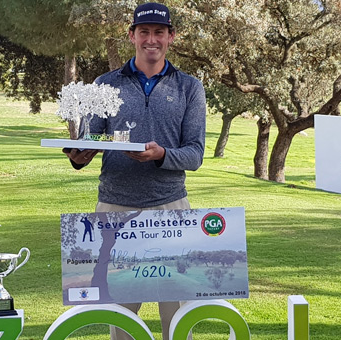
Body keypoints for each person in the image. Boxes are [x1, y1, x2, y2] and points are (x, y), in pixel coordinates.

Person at [64, 2, 206, 340]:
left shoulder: (189, 88)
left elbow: (195, 154)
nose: (151, 39)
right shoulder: (105, 84)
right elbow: (91, 140)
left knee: (177, 319)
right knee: (122, 321)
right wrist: (79, 156)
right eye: (144, 32)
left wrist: (161, 155)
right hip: (115, 211)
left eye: (159, 32)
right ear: (132, 36)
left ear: (171, 36)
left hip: (170, 211)